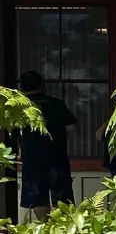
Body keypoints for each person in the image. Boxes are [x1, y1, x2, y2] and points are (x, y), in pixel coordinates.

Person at [16, 70, 74, 219]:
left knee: (37, 198)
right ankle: (62, 232)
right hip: (57, 157)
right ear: (42, 85)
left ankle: (45, 230)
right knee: (62, 197)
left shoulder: (19, 108)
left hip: (31, 158)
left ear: (22, 88)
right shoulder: (55, 103)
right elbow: (71, 127)